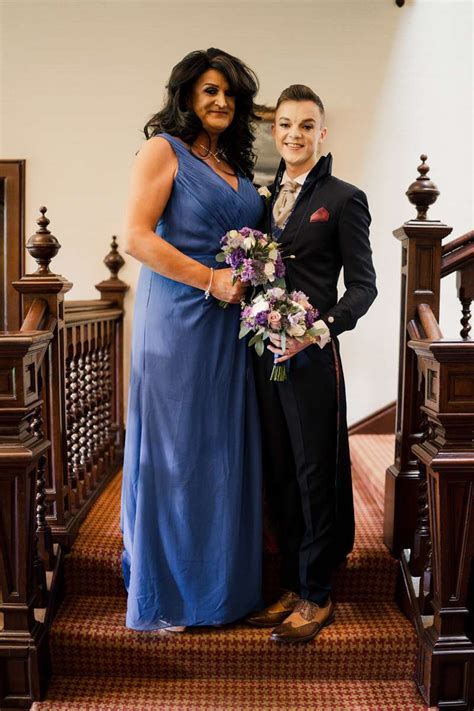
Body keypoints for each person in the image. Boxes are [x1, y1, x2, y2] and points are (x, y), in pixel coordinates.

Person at [121, 48, 264, 632]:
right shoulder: (164, 149)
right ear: (186, 96)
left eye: (229, 92)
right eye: (209, 90)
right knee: (178, 450)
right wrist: (210, 279)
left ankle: (223, 589)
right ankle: (171, 593)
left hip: (230, 326)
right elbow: (134, 236)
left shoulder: (233, 164)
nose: (221, 101)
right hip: (180, 315)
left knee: (223, 448)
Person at [248, 85, 377, 643]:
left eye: (306, 125)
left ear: (322, 134)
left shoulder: (345, 198)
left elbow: (364, 288)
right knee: (278, 471)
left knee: (312, 473)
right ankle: (292, 584)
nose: (295, 134)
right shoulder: (262, 201)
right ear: (274, 133)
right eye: (285, 125)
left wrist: (316, 333)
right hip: (262, 359)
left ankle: (317, 595)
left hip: (311, 361)